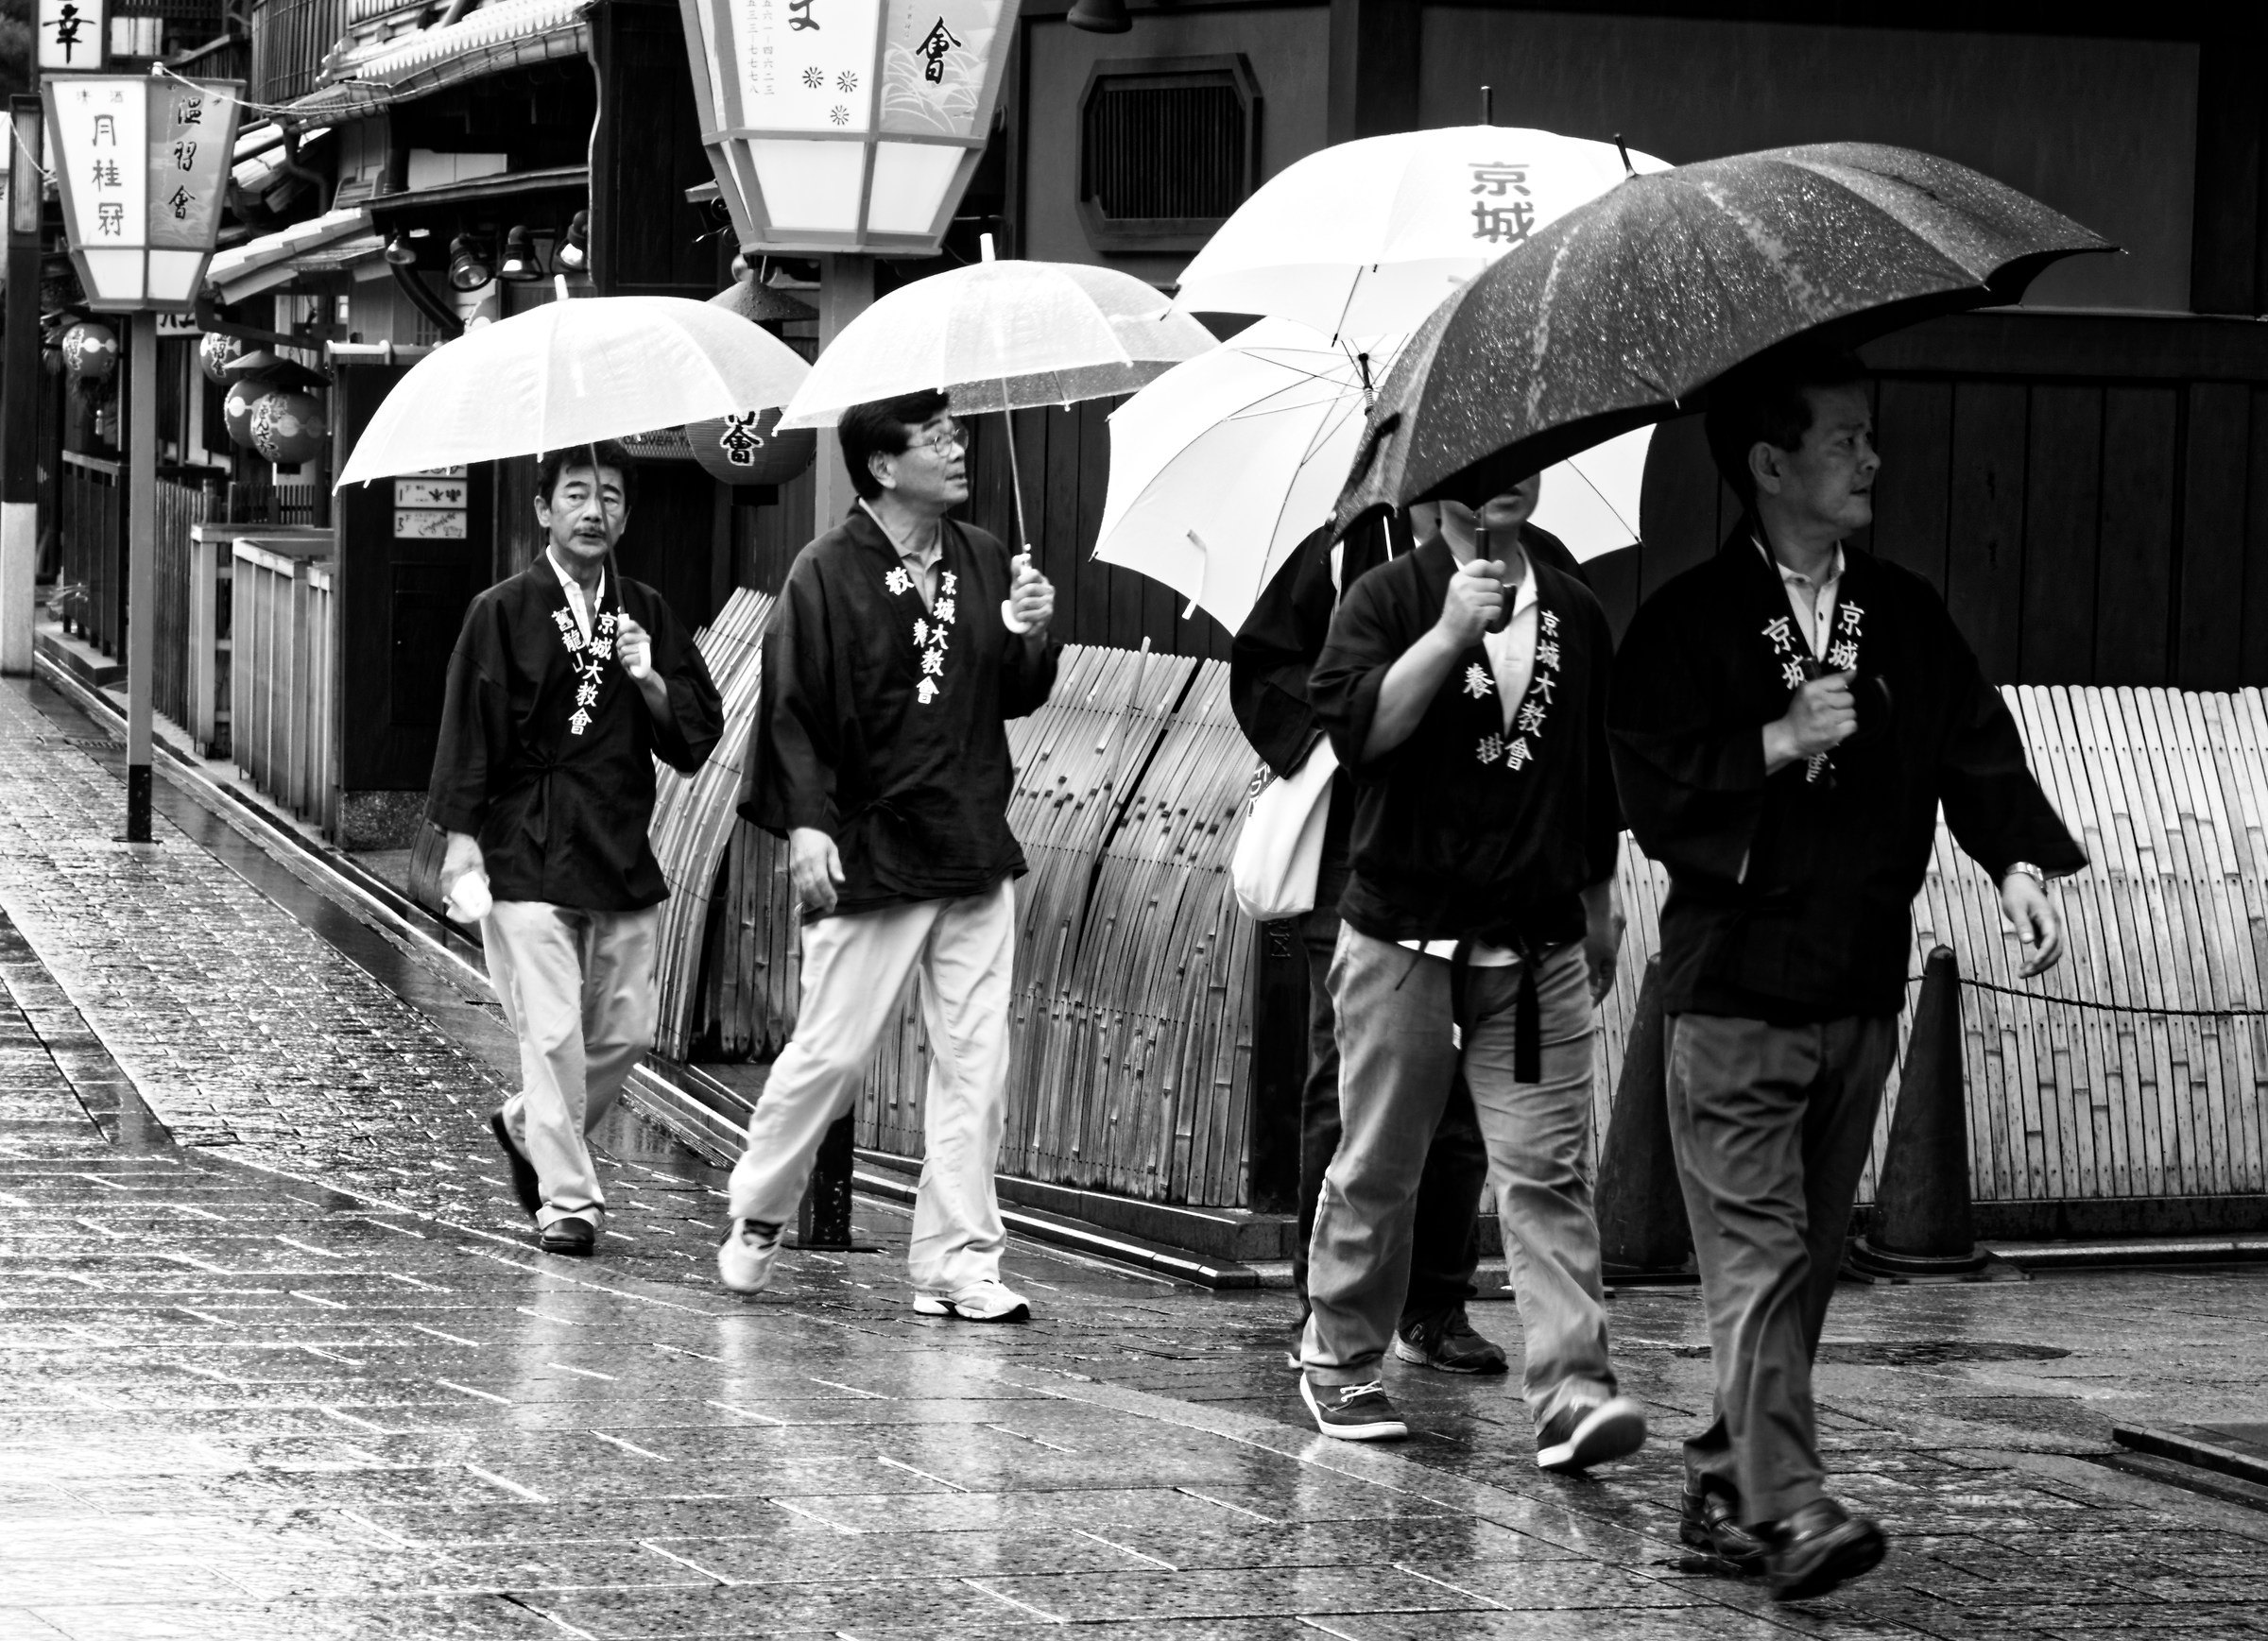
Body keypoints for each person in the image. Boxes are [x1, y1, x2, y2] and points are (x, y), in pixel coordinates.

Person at [1607, 346, 2085, 1602]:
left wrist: (2018, 864)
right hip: (1735, 995)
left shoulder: (1904, 614)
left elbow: (1972, 745)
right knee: (1759, 1262)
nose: (1871, 461)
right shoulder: (1685, 626)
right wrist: (1777, 735)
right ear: (1770, 465)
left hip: (1858, 988)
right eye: (1845, 440)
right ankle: (1793, 1506)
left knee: (1809, 1264)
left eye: (1870, 439)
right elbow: (1649, 786)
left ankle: (1723, 1477)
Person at [1299, 476, 1645, 1472]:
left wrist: (1598, 901)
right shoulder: (1386, 599)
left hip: (1536, 942)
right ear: (1436, 482)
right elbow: (1358, 736)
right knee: (1381, 1161)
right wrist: (1450, 632)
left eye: (1526, 456)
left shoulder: (1575, 609)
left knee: (1546, 1174)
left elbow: (1589, 774)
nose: (1508, 474)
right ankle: (1340, 1358)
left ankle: (1574, 1392)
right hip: (1405, 936)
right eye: (1483, 457)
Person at [717, 390, 1059, 1321]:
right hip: (868, 849)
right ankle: (758, 1210)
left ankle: (958, 1261)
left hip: (972, 841)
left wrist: (1032, 632)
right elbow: (792, 706)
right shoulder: (825, 571)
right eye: (936, 438)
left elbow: (1015, 693)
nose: (958, 450)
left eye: (957, 434)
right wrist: (806, 824)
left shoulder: (985, 557)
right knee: (830, 1055)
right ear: (881, 464)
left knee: (976, 1067)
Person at [1231, 506, 1593, 1377]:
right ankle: (1324, 1308)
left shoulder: (1547, 570)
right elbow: (1269, 669)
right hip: (1365, 865)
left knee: (1473, 1116)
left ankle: (1436, 1300)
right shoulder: (1355, 554)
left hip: (1506, 892)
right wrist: (1351, 724)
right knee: (1357, 1104)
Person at [431, 443, 725, 1256]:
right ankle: (569, 1201)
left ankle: (528, 1123)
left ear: (626, 514)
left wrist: (651, 678)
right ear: (543, 510)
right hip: (524, 844)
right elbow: (467, 729)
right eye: (577, 495)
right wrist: (462, 845)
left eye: (610, 498)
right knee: (553, 1035)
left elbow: (696, 735)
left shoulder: (648, 614)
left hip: (617, 843)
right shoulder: (501, 610)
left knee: (625, 1032)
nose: (595, 511)